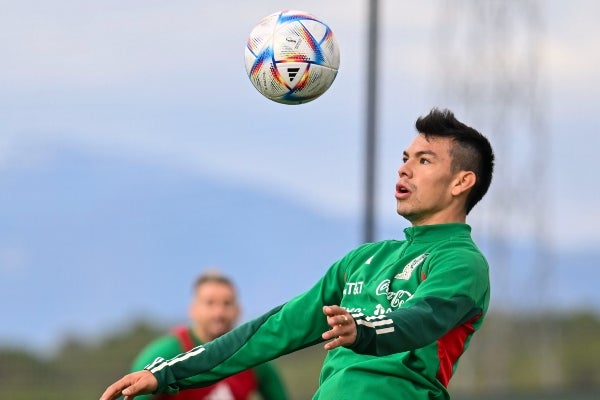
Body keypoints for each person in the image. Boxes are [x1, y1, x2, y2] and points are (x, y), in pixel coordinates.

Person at [100, 108, 495, 400]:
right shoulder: (363, 260)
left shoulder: (461, 262)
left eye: (424, 160)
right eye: (404, 159)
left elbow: (423, 319)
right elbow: (276, 329)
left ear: (462, 181)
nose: (404, 170)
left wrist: (365, 330)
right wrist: (165, 373)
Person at [128, 270, 288, 400]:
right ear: (193, 309)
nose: (219, 312)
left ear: (238, 310)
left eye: (227, 303)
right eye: (210, 303)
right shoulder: (166, 353)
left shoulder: (253, 355)